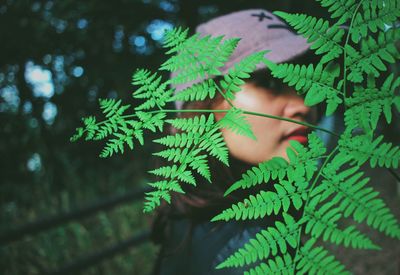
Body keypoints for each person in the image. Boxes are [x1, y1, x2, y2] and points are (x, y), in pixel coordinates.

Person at [151, 9, 320, 275]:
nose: (304, 105)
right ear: (202, 112)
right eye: (270, 82)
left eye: (305, 83)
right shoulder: (246, 255)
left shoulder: (188, 214)